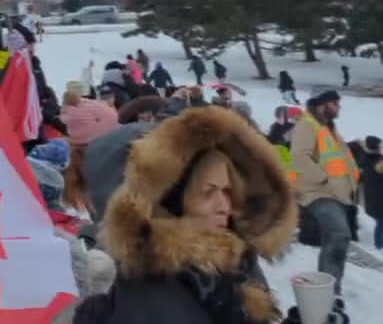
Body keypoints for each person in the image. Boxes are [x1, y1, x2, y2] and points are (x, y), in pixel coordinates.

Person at [73, 107, 295, 324]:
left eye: (228, 192)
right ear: (173, 203)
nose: (224, 206)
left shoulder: (234, 261)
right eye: (208, 192)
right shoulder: (156, 286)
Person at [289, 88, 359, 294]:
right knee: (338, 234)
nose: (339, 107)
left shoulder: (329, 128)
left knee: (339, 239)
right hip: (319, 193)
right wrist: (325, 179)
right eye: (335, 103)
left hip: (337, 194)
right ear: (323, 104)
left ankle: (330, 288)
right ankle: (326, 290)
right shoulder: (307, 124)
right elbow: (299, 157)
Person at [357, 136, 383, 251]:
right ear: (376, 147)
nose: (382, 148)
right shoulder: (379, 161)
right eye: (380, 145)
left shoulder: (364, 160)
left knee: (381, 222)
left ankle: (379, 246)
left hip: (371, 198)